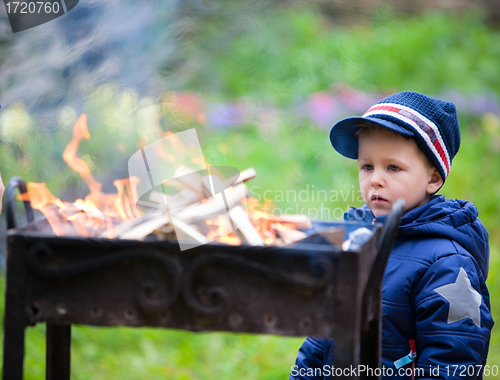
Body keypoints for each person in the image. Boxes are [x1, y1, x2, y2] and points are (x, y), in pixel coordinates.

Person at [290, 91, 494, 379]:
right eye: (367, 166)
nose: (375, 179)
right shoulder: (355, 240)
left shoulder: (447, 263)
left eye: (393, 167)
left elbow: (453, 360)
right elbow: (322, 335)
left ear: (433, 178)